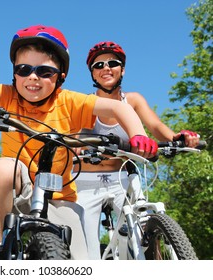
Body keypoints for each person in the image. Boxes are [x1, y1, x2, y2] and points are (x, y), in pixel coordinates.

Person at [0, 25, 158, 260]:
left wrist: (139, 134)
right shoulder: (8, 95)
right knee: (3, 168)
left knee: (82, 262)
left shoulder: (70, 101)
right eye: (23, 70)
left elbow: (118, 107)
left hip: (60, 197)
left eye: (44, 72)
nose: (32, 77)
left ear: (61, 77)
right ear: (14, 73)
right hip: (18, 190)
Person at [72, 41, 201, 259]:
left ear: (122, 69)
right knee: (87, 252)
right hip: (86, 181)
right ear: (92, 74)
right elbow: (75, 137)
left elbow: (156, 127)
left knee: (141, 231)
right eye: (98, 65)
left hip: (122, 177)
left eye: (113, 63)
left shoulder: (133, 100)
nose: (106, 68)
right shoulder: (85, 103)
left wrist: (177, 138)